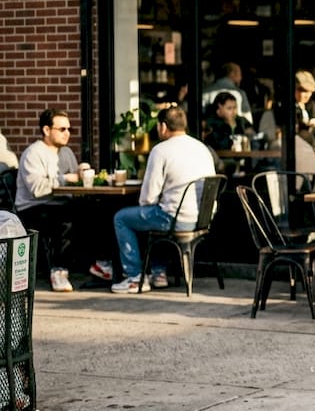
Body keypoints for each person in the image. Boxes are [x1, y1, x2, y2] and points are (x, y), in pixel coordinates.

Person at [110, 106, 216, 293]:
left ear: (163, 127)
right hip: (201, 219)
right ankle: (159, 273)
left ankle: (135, 277)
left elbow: (147, 198)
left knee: (122, 218)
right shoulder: (202, 148)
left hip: (175, 220)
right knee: (157, 214)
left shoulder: (161, 150)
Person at [15, 108, 85, 291]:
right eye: (62, 129)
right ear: (47, 130)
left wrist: (82, 174)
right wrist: (67, 178)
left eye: (69, 129)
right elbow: (37, 189)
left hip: (60, 203)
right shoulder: (33, 153)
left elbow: (75, 183)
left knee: (95, 209)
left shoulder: (67, 152)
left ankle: (101, 265)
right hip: (33, 207)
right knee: (65, 218)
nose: (67, 133)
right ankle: (58, 272)